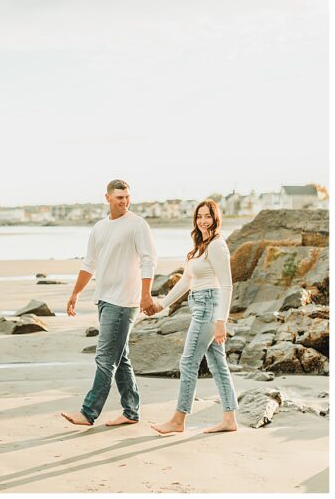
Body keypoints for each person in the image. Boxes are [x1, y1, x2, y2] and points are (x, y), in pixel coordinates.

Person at [60, 179, 158, 427]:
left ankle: (88, 412)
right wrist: (75, 293)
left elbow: (149, 260)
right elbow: (89, 263)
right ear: (107, 198)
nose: (124, 201)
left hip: (124, 301)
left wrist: (146, 294)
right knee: (120, 357)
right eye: (119, 198)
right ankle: (131, 411)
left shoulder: (137, 225)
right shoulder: (100, 228)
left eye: (127, 197)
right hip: (104, 299)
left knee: (105, 358)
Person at [151, 199, 239, 434]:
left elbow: (227, 285)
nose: (203, 221)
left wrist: (222, 322)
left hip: (210, 307)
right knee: (218, 364)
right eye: (199, 216)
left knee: (188, 362)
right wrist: (162, 304)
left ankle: (178, 420)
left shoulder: (217, 245)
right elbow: (186, 280)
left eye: (208, 216)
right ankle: (229, 419)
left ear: (216, 219)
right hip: (199, 305)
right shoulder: (200, 247)